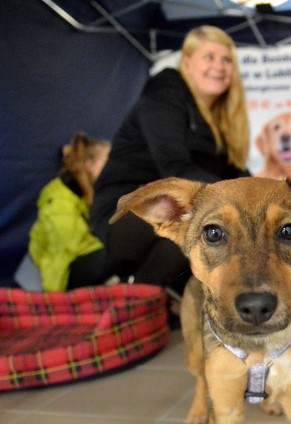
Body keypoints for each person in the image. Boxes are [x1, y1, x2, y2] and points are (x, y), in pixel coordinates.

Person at [91, 26, 250, 300]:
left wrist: (270, 193)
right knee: (195, 229)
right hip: (126, 210)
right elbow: (175, 168)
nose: (219, 67)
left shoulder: (220, 118)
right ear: (187, 61)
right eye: (209, 57)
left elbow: (236, 173)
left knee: (206, 230)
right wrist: (243, 196)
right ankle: (134, 307)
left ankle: (146, 302)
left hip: (171, 206)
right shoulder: (164, 95)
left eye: (226, 60)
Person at [29, 132, 114, 292]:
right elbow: (73, 244)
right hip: (60, 269)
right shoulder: (59, 198)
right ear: (89, 165)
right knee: (113, 256)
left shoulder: (89, 194)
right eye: (108, 163)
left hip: (78, 258)